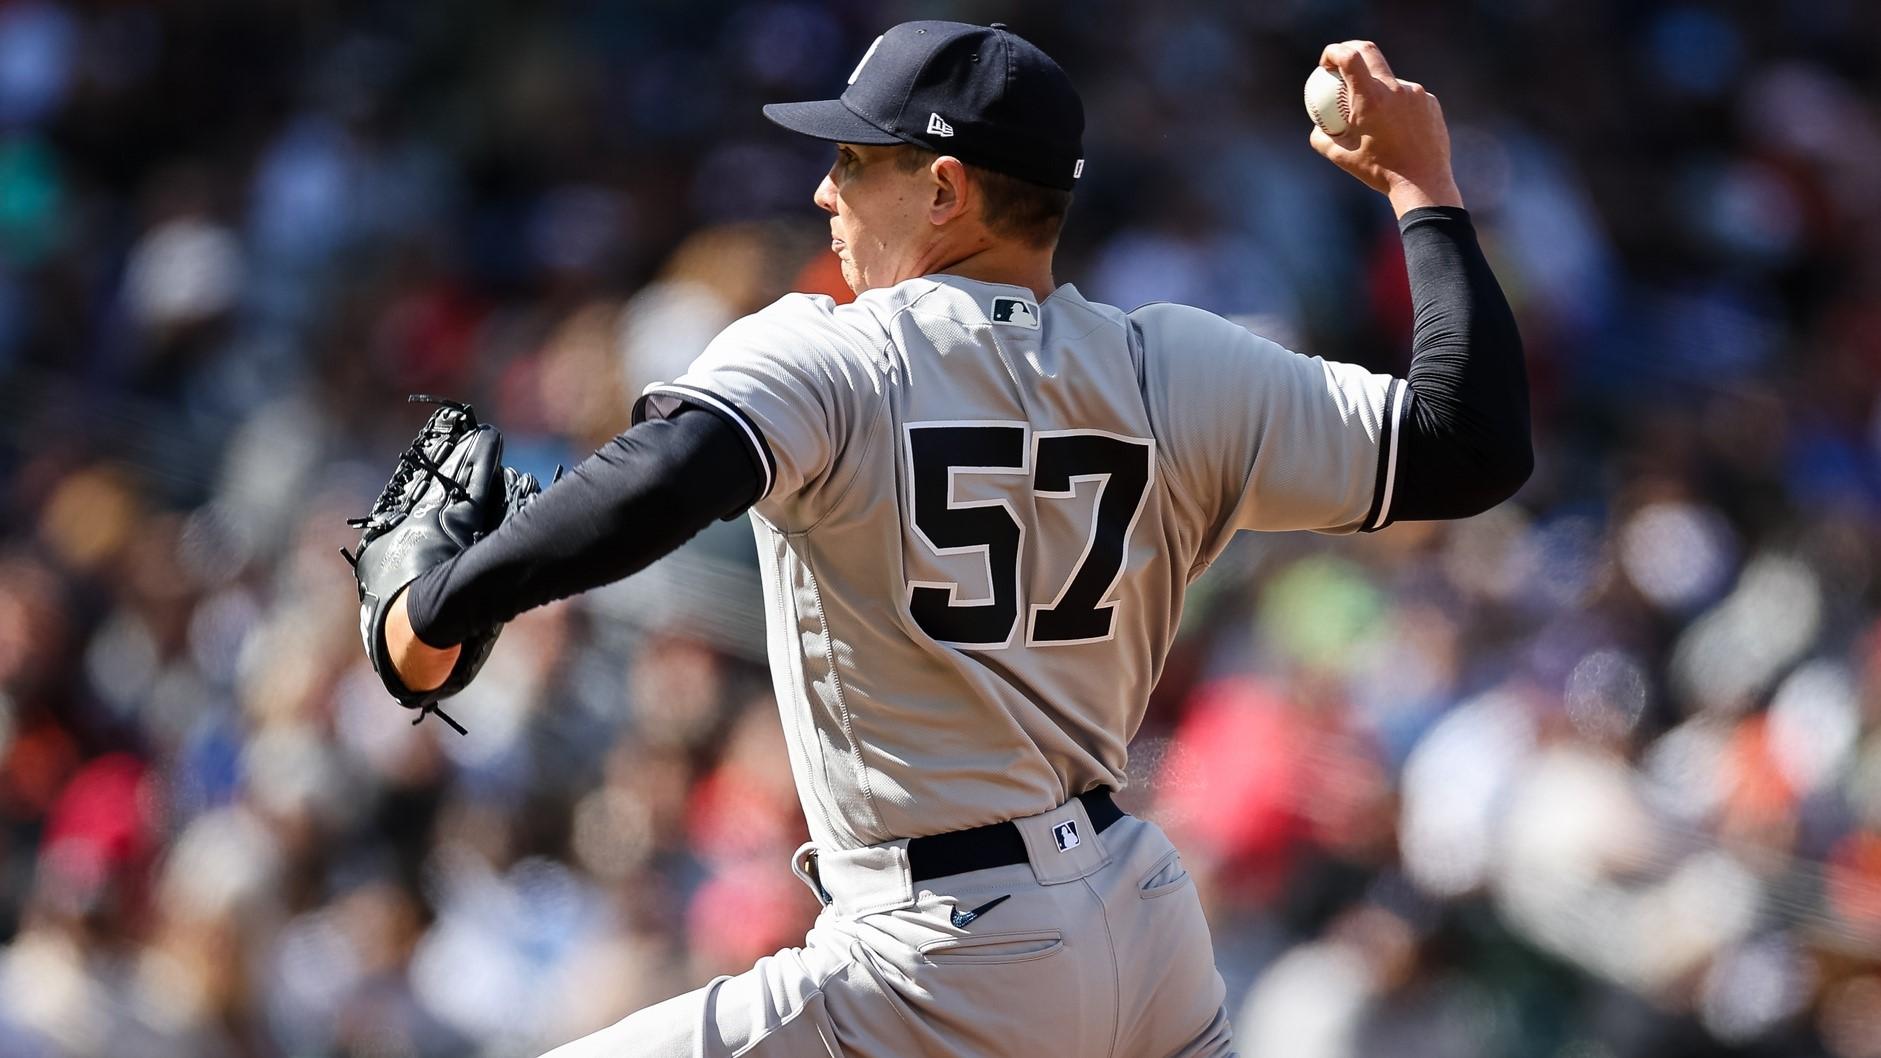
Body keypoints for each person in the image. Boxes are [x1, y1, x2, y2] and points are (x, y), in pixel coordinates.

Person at [373, 20, 1529, 1058]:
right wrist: (1423, 187)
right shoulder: (1176, 363)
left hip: (941, 952)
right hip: (1144, 922)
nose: (825, 193)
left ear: (942, 190)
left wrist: (435, 611)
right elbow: (1471, 442)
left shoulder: (838, 353)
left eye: (852, 162)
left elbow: (667, 474)